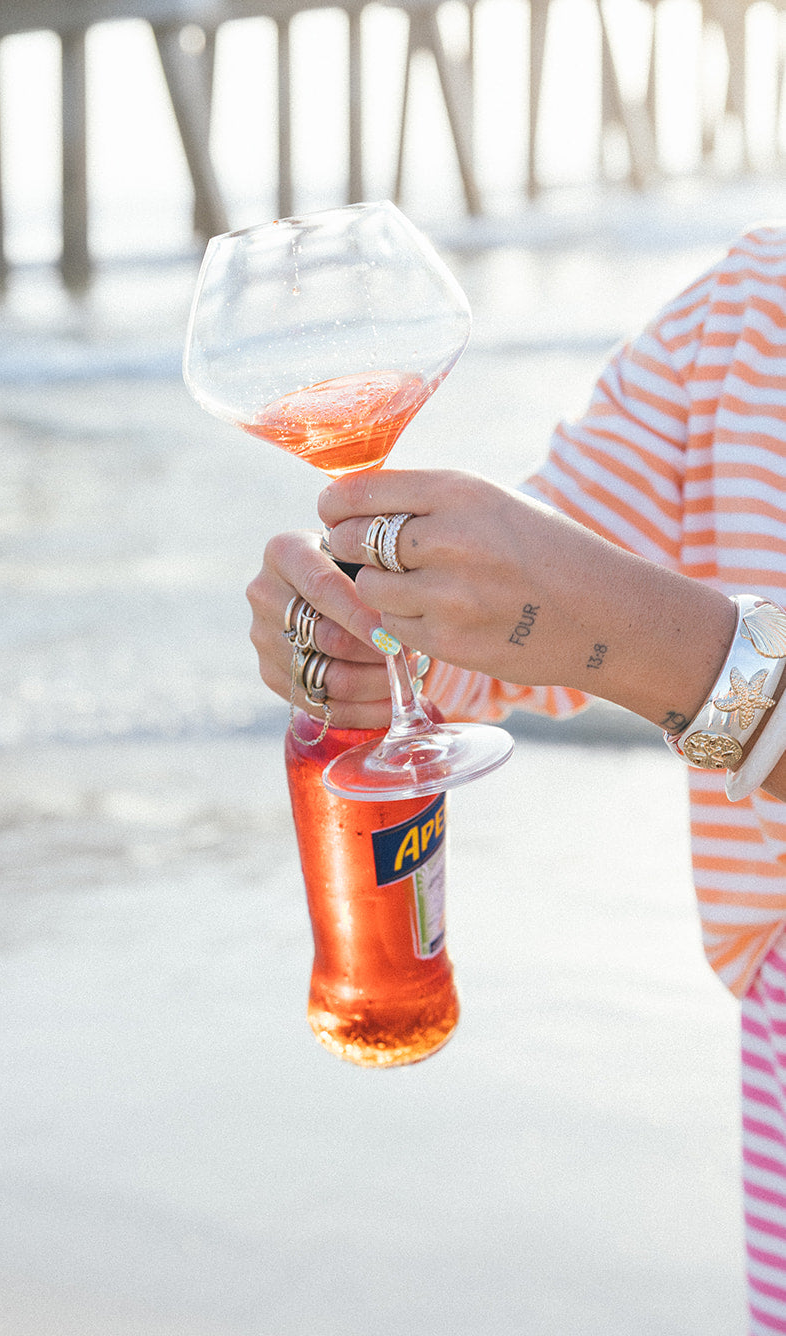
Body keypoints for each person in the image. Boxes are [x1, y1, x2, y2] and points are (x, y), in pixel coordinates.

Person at [246, 221, 786, 1334]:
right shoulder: (747, 315)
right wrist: (350, 635)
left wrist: (677, 653)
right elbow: (503, 622)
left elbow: (597, 615)